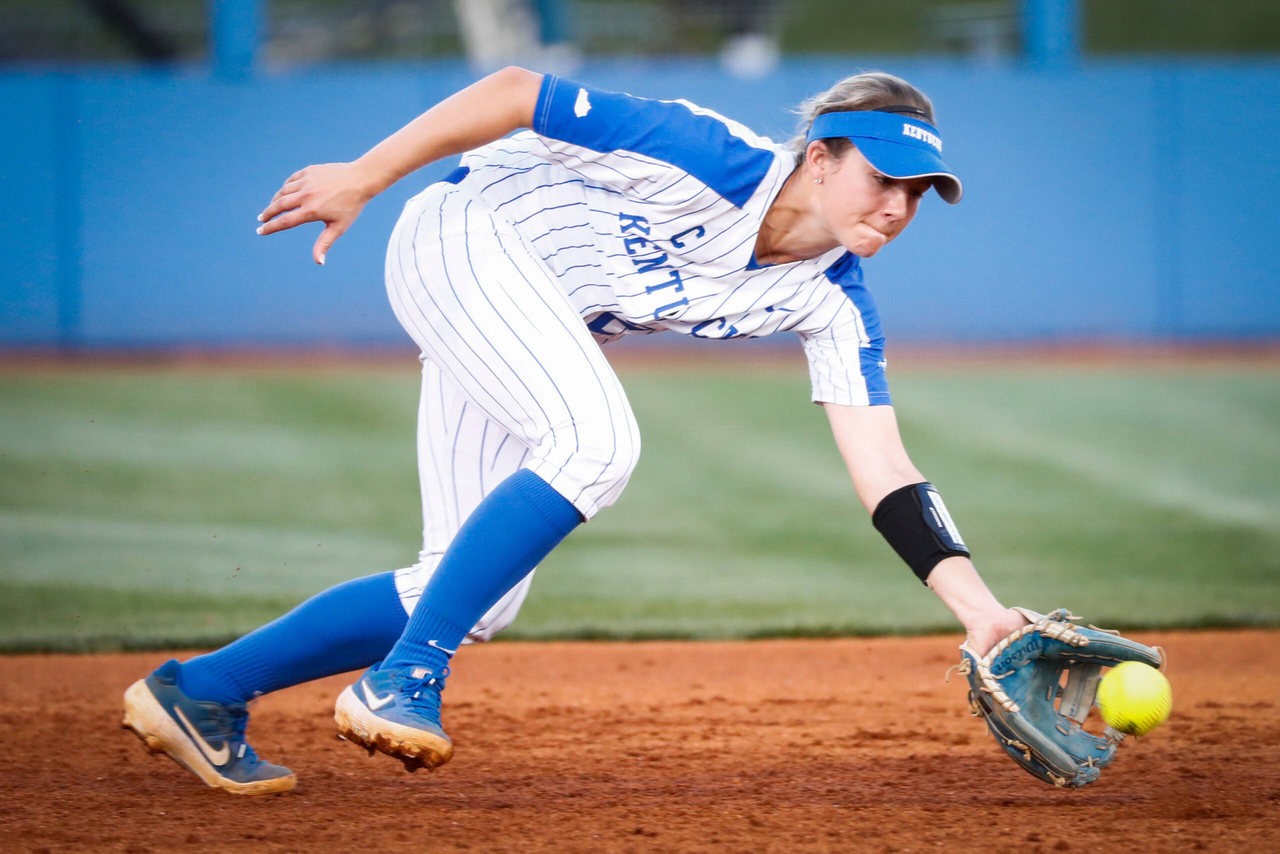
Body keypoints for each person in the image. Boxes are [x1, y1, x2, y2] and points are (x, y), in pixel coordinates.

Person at [122, 66, 1029, 795]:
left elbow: (885, 468)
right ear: (822, 157)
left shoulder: (835, 301)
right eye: (883, 179)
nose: (898, 208)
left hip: (525, 314)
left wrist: (979, 609)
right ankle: (404, 679)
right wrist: (364, 175)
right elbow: (517, 91)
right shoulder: (709, 156)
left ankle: (202, 694)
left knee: (476, 591)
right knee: (596, 444)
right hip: (466, 234)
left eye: (918, 192)